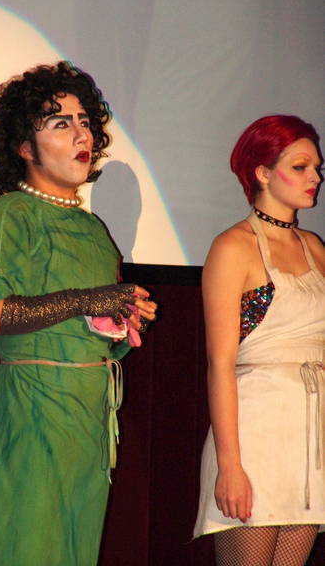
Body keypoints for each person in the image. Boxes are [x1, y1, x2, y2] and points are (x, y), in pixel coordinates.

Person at [0, 61, 157, 565]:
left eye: (85, 121)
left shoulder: (93, 231)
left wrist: (123, 319)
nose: (82, 135)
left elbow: (92, 328)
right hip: (32, 410)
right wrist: (84, 300)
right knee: (20, 547)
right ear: (24, 146)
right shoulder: (7, 217)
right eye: (61, 123)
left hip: (89, 418)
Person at [193, 115, 325, 565]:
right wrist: (230, 465)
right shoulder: (233, 246)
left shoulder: (315, 247)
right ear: (263, 173)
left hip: (309, 438)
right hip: (255, 435)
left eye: (316, 167)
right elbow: (220, 364)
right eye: (301, 167)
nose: (315, 177)